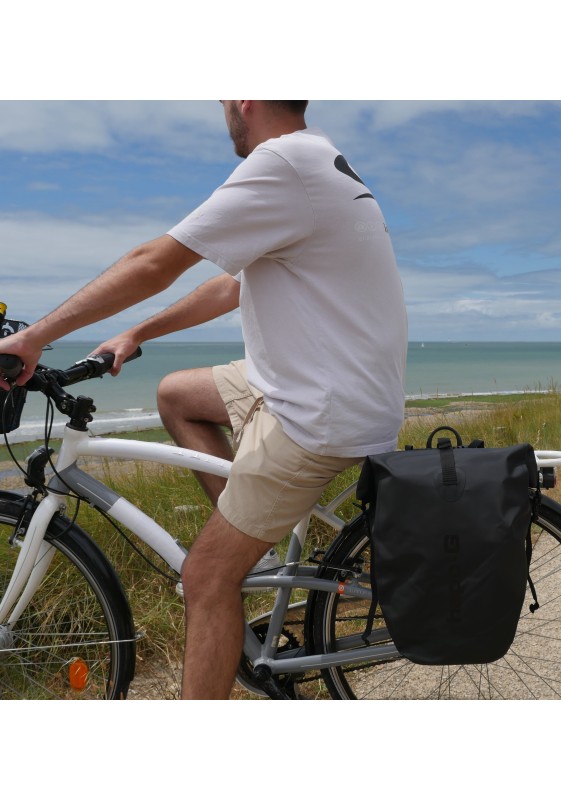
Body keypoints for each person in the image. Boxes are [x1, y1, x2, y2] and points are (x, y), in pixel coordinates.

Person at [0, 100, 408, 699]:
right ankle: (258, 563)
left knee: (205, 576)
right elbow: (229, 287)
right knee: (177, 394)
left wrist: (34, 338)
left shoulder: (282, 164)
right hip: (319, 386)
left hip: (319, 415)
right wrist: (137, 333)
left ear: (246, 98)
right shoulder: (319, 157)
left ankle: (227, 580)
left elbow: (154, 262)